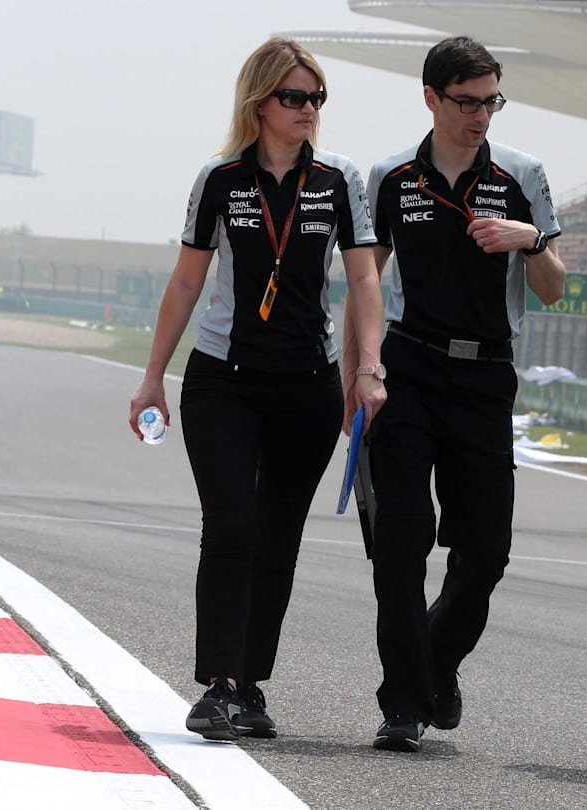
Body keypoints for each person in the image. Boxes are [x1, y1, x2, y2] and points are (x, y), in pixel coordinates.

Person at [128, 37, 387, 741]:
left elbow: (364, 277)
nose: (308, 110)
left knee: (277, 538)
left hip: (307, 385)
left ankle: (250, 685)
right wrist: (152, 376)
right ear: (260, 102)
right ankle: (216, 683)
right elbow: (186, 280)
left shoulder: (337, 181)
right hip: (223, 381)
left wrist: (367, 370)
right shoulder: (220, 178)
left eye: (316, 98)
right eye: (294, 97)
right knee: (232, 524)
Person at [352, 35, 565, 753]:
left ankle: (436, 661)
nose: (481, 116)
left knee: (487, 551)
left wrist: (529, 240)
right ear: (432, 99)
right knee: (401, 544)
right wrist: (365, 367)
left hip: (485, 377)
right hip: (408, 371)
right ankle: (403, 702)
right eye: (467, 102)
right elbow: (364, 282)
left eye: (491, 102)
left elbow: (556, 287)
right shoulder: (391, 176)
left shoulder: (522, 173)